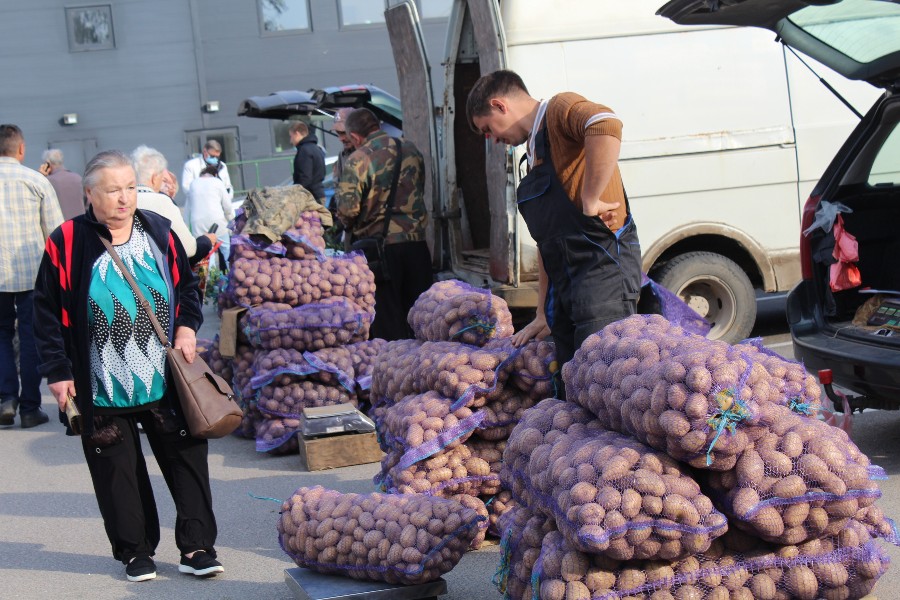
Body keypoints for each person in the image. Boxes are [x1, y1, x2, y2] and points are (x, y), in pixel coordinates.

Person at [33, 150, 224, 583]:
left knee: (185, 458)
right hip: (101, 381)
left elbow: (187, 288)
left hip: (165, 377)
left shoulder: (158, 231)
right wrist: (58, 371)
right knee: (117, 470)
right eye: (113, 189)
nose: (124, 198)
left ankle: (197, 546)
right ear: (89, 194)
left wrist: (187, 328)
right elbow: (44, 312)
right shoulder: (66, 241)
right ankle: (135, 551)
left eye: (130, 188)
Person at [466, 70, 642, 372]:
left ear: (499, 105)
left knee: (607, 380)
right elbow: (549, 243)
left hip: (602, 278)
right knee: (576, 383)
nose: (493, 140)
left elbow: (605, 124)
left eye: (488, 129)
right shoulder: (534, 153)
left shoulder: (559, 109)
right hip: (567, 289)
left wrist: (591, 197)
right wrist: (543, 313)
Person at [335, 108, 432, 341]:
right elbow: (420, 187)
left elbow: (347, 211)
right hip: (417, 245)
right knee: (423, 316)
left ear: (356, 137)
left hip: (381, 251)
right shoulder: (409, 149)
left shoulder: (358, 159)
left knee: (388, 323)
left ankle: (399, 372)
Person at [0, 124, 63, 428]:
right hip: (31, 274)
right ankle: (29, 407)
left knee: (0, 336)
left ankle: (5, 399)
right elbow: (55, 233)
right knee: (30, 337)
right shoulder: (35, 180)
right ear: (21, 149)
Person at [132, 145, 214, 268]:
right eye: (162, 178)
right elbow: (189, 249)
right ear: (155, 178)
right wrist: (206, 241)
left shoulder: (124, 202)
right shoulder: (162, 202)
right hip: (159, 276)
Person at [186, 162, 233, 270]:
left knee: (206, 253)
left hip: (197, 223)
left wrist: (188, 226)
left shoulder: (193, 183)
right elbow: (227, 207)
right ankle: (231, 278)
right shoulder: (217, 182)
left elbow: (188, 208)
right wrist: (231, 221)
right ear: (215, 174)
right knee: (226, 250)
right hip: (217, 220)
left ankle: (210, 283)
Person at [181, 140, 232, 204]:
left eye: (217, 157)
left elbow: (228, 186)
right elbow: (186, 188)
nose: (215, 159)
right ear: (205, 151)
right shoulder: (191, 166)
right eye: (212, 156)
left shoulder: (222, 166)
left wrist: (226, 200)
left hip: (219, 205)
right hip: (199, 205)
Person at [39, 148, 85, 220]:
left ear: (47, 163)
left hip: (61, 227)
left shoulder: (47, 182)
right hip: (81, 224)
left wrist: (40, 176)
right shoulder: (78, 178)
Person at [288, 121, 326, 204]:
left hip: (310, 197)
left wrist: (296, 194)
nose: (291, 141)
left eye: (291, 136)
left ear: (297, 134)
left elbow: (305, 178)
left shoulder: (304, 150)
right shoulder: (316, 148)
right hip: (319, 193)